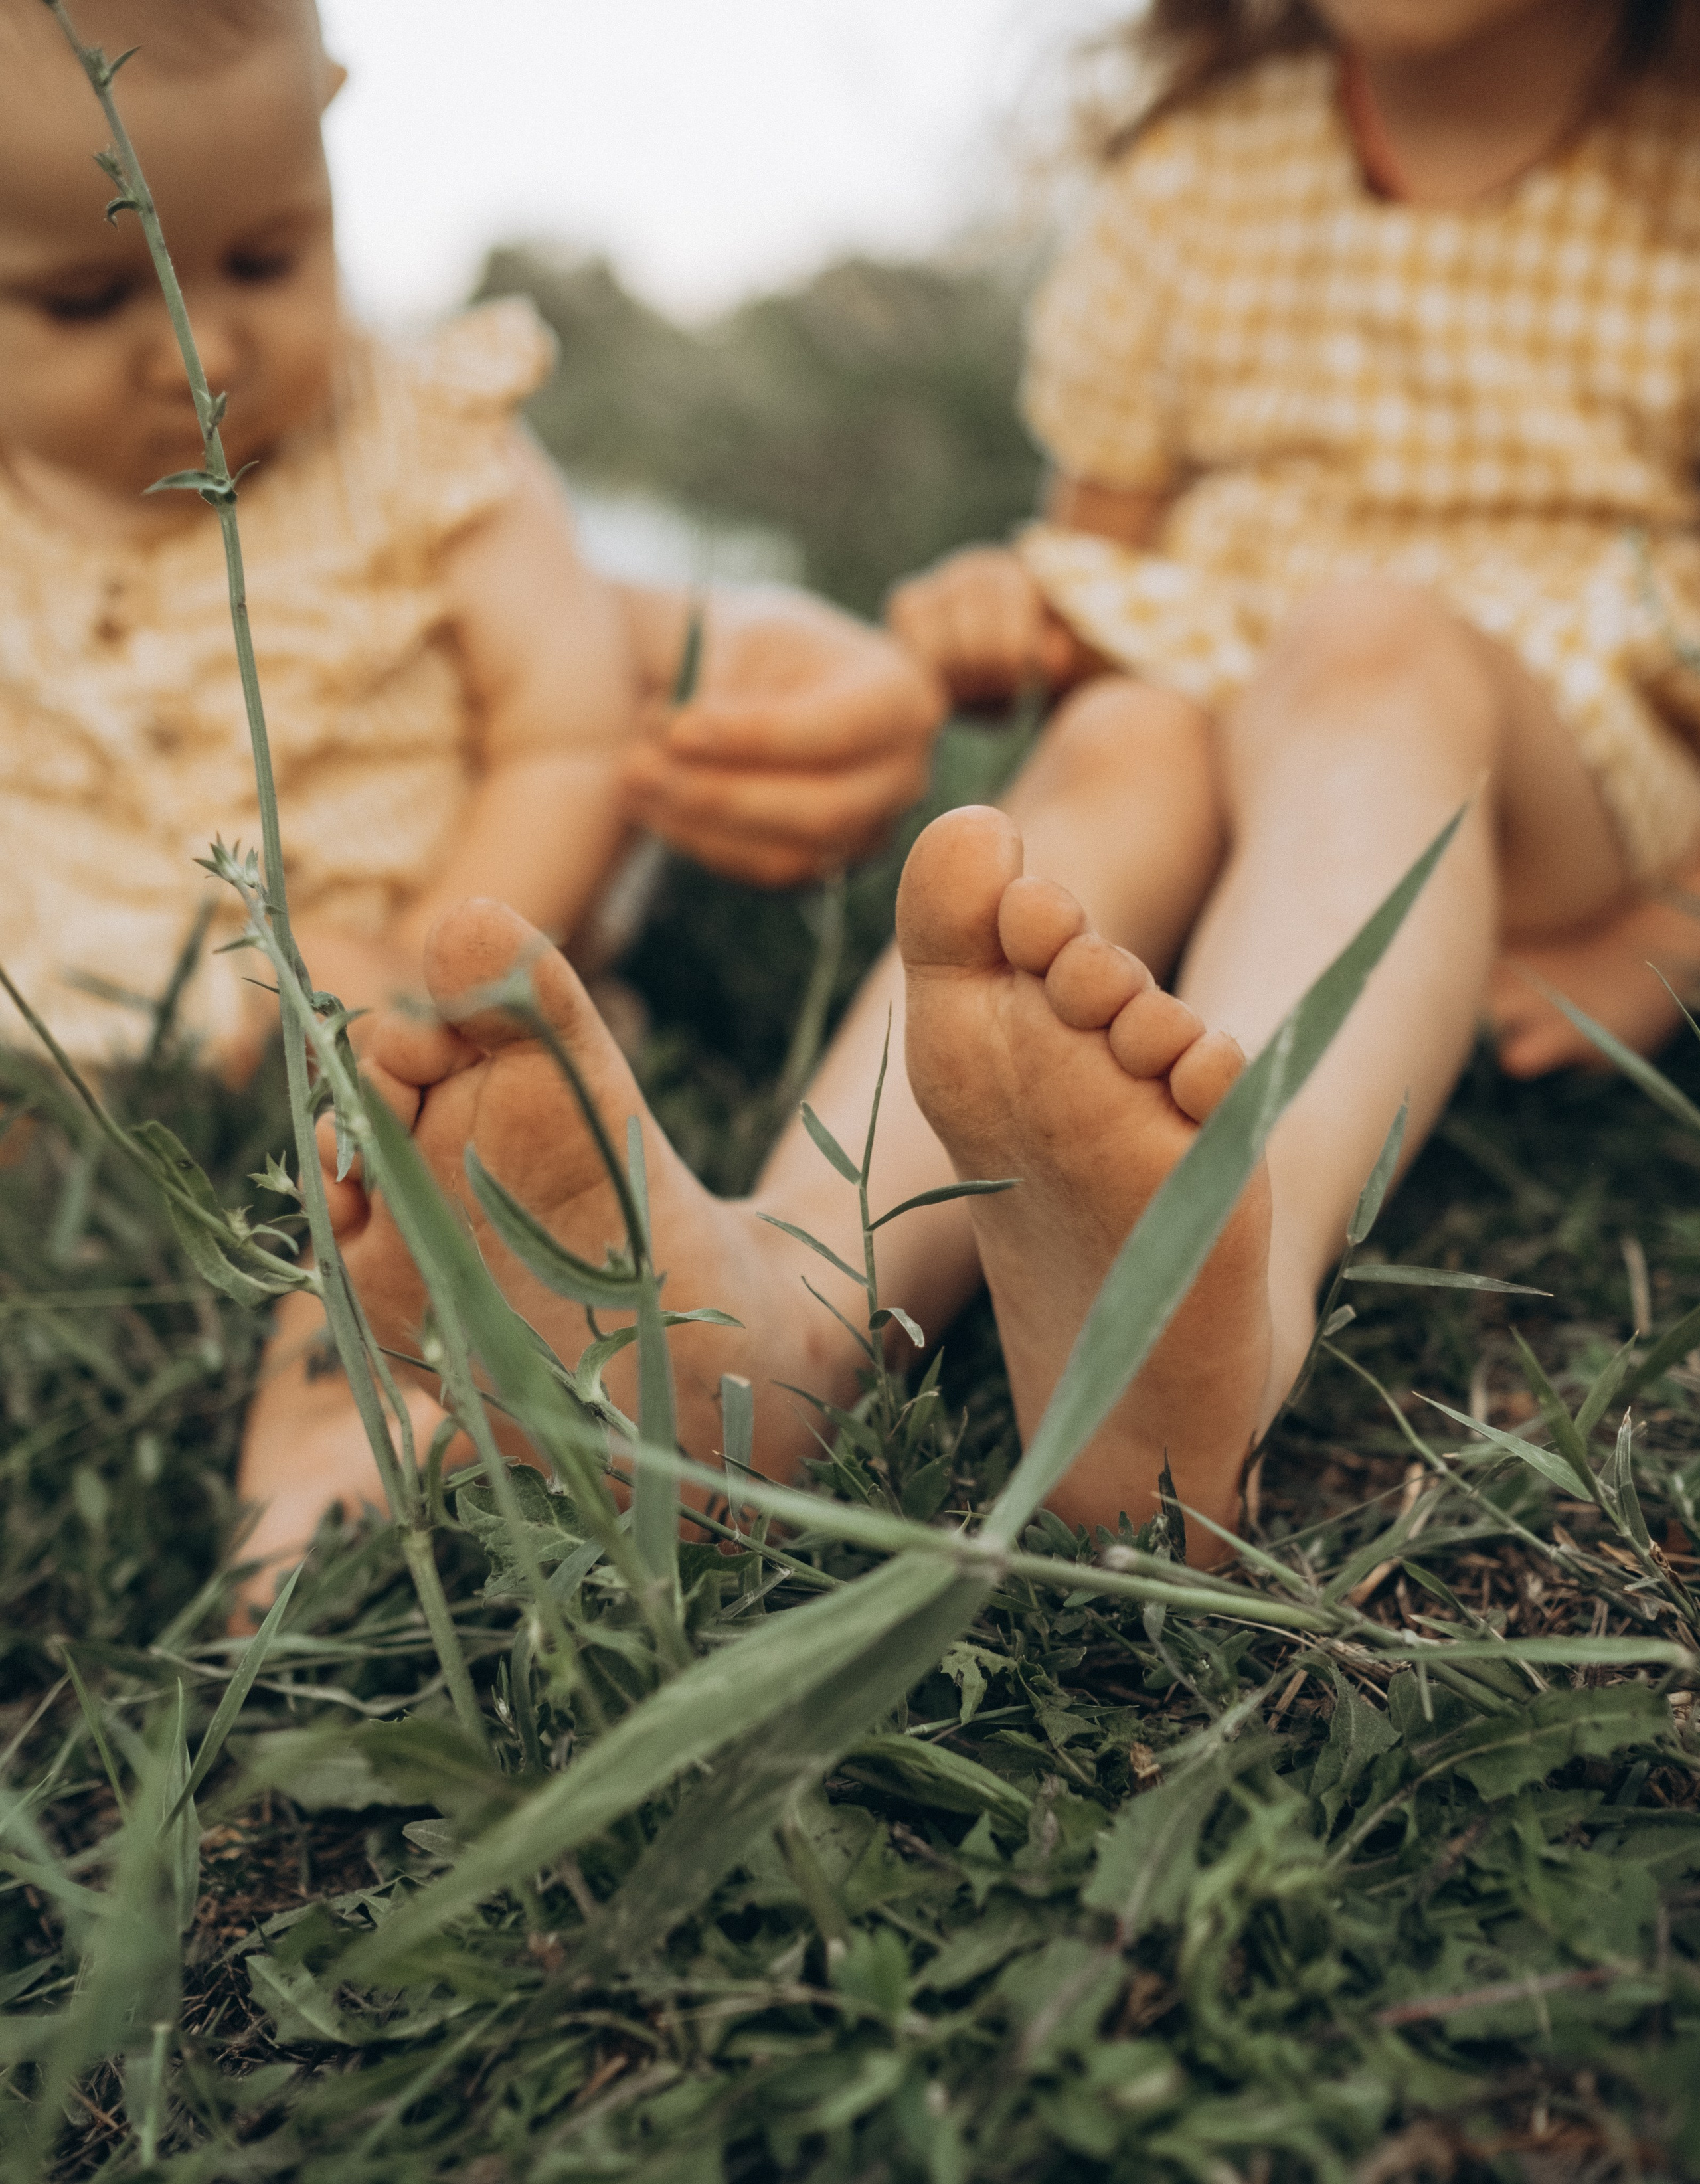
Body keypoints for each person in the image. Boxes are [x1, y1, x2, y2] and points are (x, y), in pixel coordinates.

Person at [313, 0, 1700, 1574]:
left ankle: (1233, 1279)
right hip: (1223, 695)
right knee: (1115, 743)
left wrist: (1659, 933)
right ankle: (779, 1323)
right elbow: (1100, 571)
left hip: (1551, 767)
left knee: (1368, 652)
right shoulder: (1201, 173)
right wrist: (1008, 613)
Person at [0, 0, 944, 1574]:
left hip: (382, 947)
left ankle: (354, 1377)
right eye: (91, 295)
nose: (202, 346)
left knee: (380, 1116)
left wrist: (447, 968)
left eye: (265, 260)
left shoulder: (427, 449)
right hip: (83, 994)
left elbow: (560, 728)